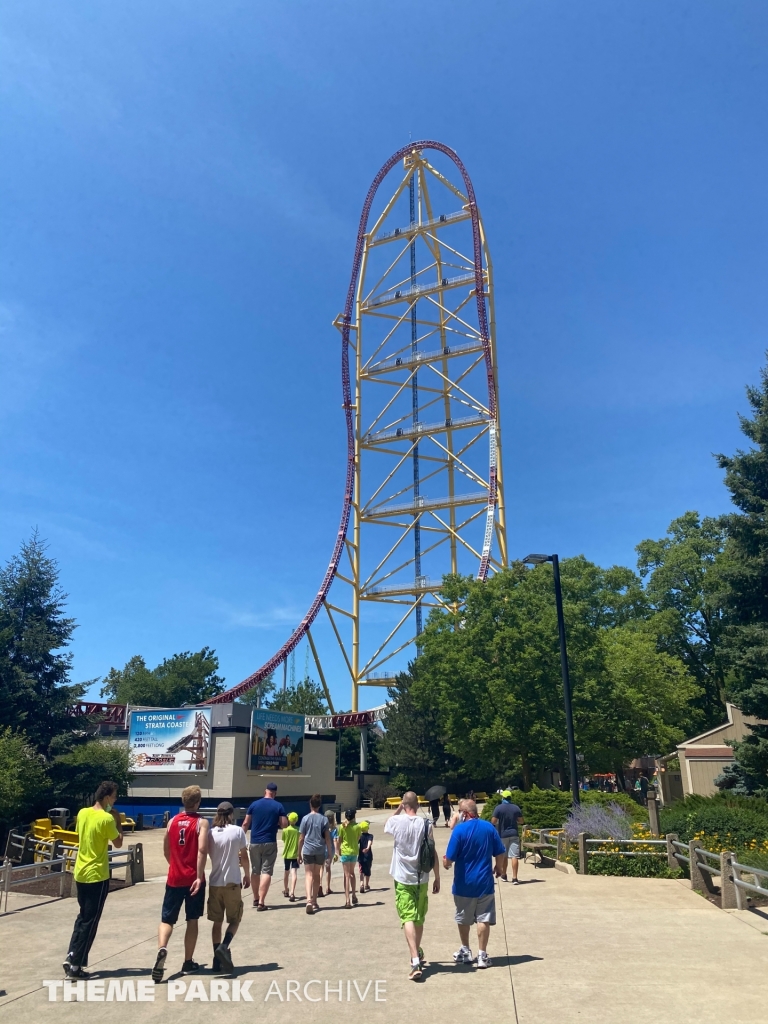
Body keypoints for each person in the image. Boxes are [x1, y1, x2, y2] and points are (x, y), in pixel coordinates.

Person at [63, 780, 124, 978]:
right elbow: (118, 842)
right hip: (97, 875)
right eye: (114, 797)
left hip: (80, 871)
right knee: (91, 921)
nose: (114, 801)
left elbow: (81, 834)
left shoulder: (82, 813)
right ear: (106, 797)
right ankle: (76, 965)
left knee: (82, 917)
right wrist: (118, 821)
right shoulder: (106, 819)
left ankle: (71, 954)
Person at [152, 785, 210, 982]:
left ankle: (162, 948)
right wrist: (199, 875)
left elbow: (166, 849)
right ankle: (187, 961)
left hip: (174, 877)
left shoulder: (172, 822)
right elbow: (202, 850)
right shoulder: (201, 823)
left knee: (167, 919)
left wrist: (174, 865)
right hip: (193, 877)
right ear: (198, 802)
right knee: (192, 920)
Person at [384, 791, 440, 981]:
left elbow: (388, 823)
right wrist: (437, 876)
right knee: (419, 916)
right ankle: (416, 951)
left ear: (404, 804)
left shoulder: (396, 822)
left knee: (407, 916)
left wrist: (399, 807)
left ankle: (415, 958)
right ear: (417, 805)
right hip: (422, 876)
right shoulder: (426, 824)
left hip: (402, 877)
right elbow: (432, 851)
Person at [443, 799, 505, 969]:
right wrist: (499, 868)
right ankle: (482, 955)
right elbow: (500, 852)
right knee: (483, 917)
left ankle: (465, 950)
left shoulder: (459, 830)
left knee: (463, 917)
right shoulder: (488, 828)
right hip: (484, 882)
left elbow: (449, 860)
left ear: (463, 814)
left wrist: (445, 863)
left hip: (463, 884)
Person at [206, 801, 249, 975]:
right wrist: (247, 874)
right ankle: (224, 946)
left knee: (217, 922)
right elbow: (244, 856)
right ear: (231, 814)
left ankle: (217, 960)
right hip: (232, 881)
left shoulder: (210, 833)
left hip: (215, 882)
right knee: (235, 919)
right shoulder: (237, 831)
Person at [242, 782, 288, 910]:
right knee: (266, 871)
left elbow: (246, 823)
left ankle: (255, 898)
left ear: (265, 791)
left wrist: (240, 839)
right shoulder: (278, 806)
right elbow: (284, 824)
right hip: (270, 841)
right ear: (275, 794)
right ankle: (262, 901)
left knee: (255, 870)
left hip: (255, 841)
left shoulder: (254, 805)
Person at [298, 793, 334, 914]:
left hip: (308, 849)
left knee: (308, 874)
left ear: (310, 805)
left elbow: (301, 838)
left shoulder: (305, 818)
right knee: (317, 875)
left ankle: (308, 900)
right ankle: (314, 900)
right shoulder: (324, 819)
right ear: (319, 806)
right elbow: (328, 838)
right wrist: (329, 853)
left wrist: (299, 853)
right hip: (319, 850)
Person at [490, 790, 524, 884]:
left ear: (503, 798)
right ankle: (515, 878)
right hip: (514, 833)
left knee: (504, 856)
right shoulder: (516, 808)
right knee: (514, 856)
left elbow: (493, 821)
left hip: (503, 835)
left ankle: (504, 874)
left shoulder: (499, 808)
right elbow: (521, 821)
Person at [337, 808, 362, 909]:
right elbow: (358, 838)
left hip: (345, 852)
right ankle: (354, 895)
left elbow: (340, 839)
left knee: (346, 876)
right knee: (352, 873)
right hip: (354, 851)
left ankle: (347, 900)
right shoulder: (358, 827)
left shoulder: (342, 827)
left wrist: (338, 850)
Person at [281, 811, 300, 902]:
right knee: (294, 873)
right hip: (295, 854)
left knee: (286, 872)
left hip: (287, 854)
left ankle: (286, 889)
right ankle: (292, 892)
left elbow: (284, 840)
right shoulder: (298, 830)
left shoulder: (285, 830)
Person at [320, 810, 338, 897]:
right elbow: (335, 840)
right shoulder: (334, 829)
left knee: (321, 868)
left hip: (322, 849)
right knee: (328, 869)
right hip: (330, 850)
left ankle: (319, 885)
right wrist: (336, 852)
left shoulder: (322, 827)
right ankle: (327, 887)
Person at [358, 820, 373, 892]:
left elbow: (356, 842)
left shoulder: (359, 836)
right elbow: (370, 841)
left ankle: (362, 884)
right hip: (368, 856)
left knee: (361, 871)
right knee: (368, 870)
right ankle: (367, 884)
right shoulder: (370, 836)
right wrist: (367, 847)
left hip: (361, 855)